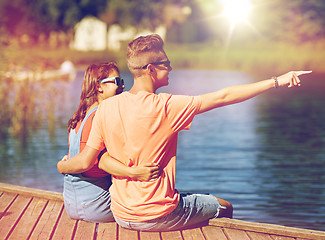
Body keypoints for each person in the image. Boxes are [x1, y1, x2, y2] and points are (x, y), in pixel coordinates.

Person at [57, 34, 311, 231]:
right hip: (158, 215)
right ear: (151, 69)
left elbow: (98, 158)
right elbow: (223, 96)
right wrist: (277, 81)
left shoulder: (107, 107)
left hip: (122, 214)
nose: (171, 68)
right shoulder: (167, 106)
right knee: (224, 206)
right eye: (166, 63)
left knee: (188, 196)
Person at [59, 62, 160, 223]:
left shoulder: (79, 117)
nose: (123, 86)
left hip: (71, 204)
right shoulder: (101, 115)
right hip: (97, 205)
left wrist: (65, 163)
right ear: (99, 86)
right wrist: (61, 166)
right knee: (151, 208)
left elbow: (81, 156)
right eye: (117, 82)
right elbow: (86, 162)